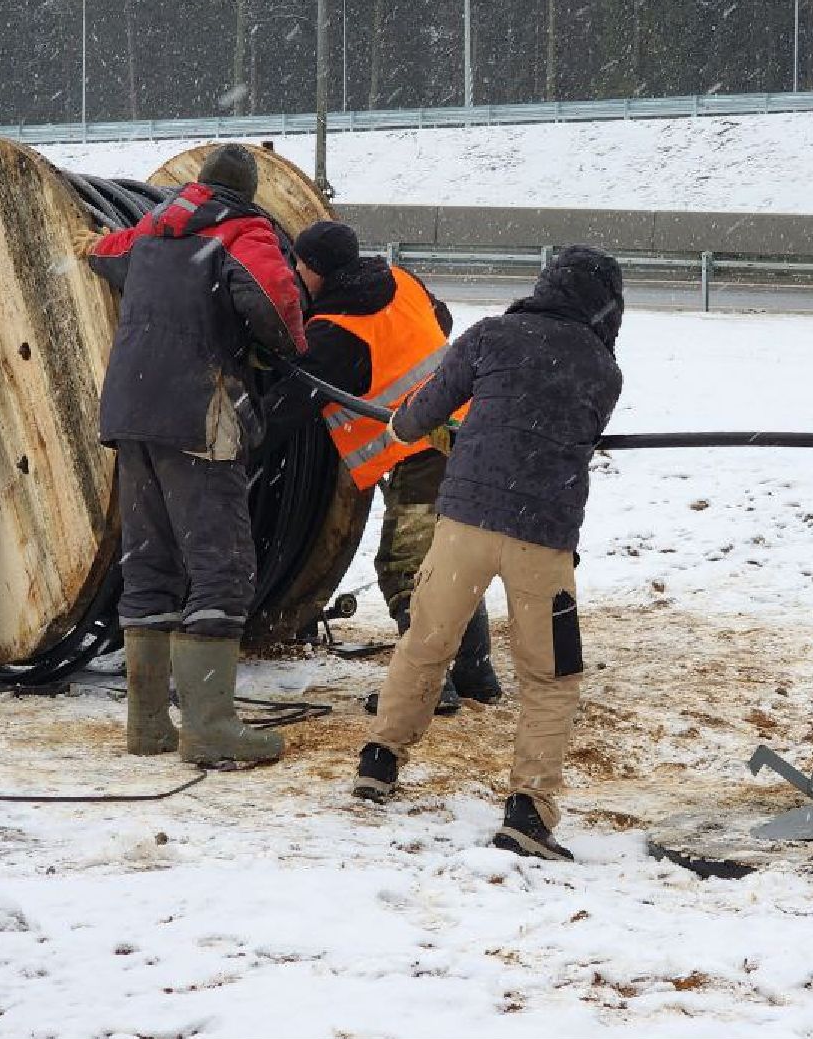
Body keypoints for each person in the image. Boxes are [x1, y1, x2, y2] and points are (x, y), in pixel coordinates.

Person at [350, 246, 625, 863]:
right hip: (543, 539)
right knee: (551, 675)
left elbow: (418, 414)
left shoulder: (490, 336)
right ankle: (529, 809)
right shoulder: (602, 371)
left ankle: (380, 759)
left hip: (464, 524)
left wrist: (419, 430)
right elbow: (570, 430)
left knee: (426, 641)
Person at [78, 143, 306, 769]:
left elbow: (103, 252)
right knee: (221, 563)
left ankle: (148, 726)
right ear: (247, 192)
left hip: (129, 410)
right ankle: (210, 728)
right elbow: (277, 305)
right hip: (196, 410)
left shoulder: (149, 232)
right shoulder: (241, 231)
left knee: (149, 561)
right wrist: (283, 343)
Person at [261, 219, 501, 715]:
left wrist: (236, 437)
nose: (296, 274)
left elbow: (284, 410)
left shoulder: (336, 333)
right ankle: (474, 672)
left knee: (405, 568)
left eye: (301, 267)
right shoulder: (400, 278)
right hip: (472, 431)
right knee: (451, 559)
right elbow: (444, 318)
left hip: (425, 452)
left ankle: (425, 687)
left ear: (320, 272)